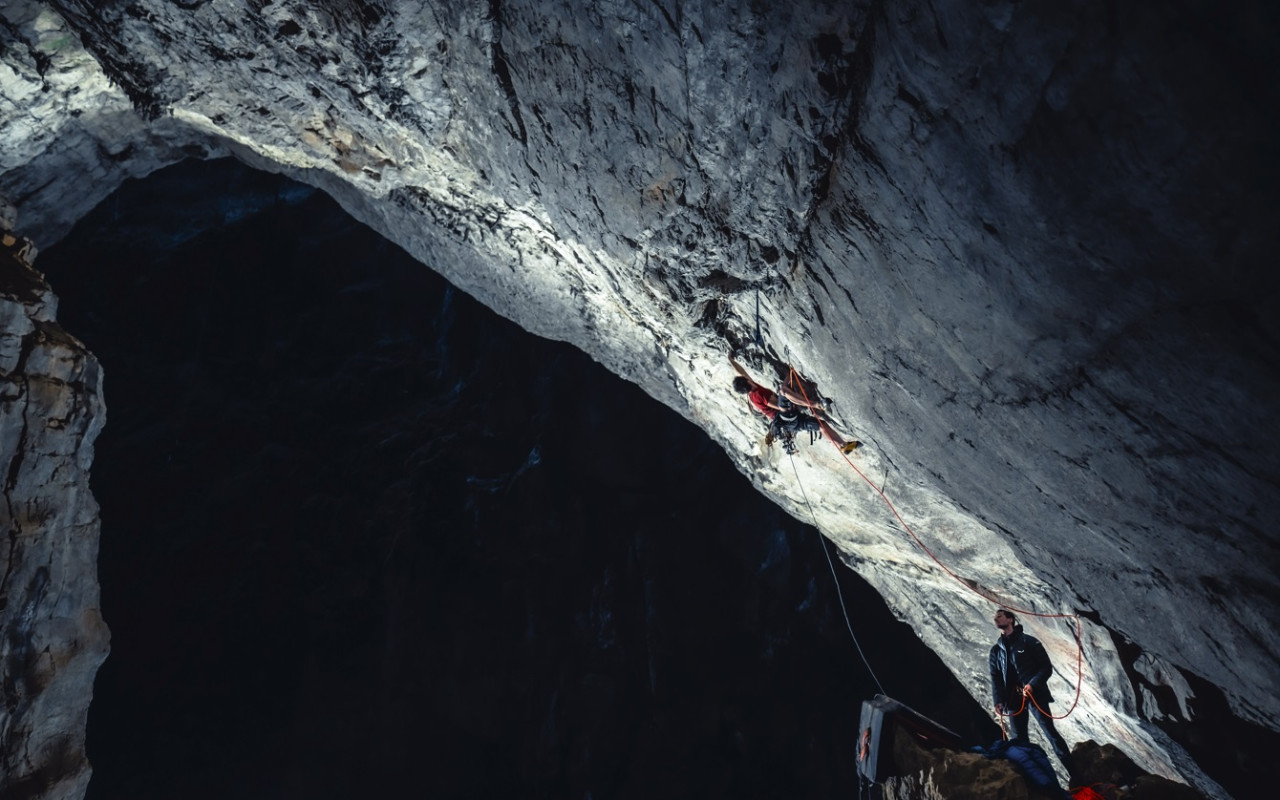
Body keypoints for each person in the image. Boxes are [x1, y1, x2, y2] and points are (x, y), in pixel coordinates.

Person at [989, 609, 1074, 777]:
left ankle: (1076, 775)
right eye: (995, 617)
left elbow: (1045, 668)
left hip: (1035, 695)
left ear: (1010, 619)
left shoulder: (1029, 642)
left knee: (1051, 733)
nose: (996, 618)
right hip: (1013, 700)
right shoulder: (996, 651)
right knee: (1019, 741)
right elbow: (995, 676)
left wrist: (1032, 685)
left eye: (1000, 615)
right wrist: (998, 700)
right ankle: (1034, 779)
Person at [730, 357, 859, 453]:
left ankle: (844, 446)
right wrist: (789, 376)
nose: (747, 377)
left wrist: (731, 360)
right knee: (783, 391)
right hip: (786, 417)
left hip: (792, 423)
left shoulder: (751, 389)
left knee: (821, 425)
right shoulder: (758, 394)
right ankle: (818, 404)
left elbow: (741, 372)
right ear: (747, 382)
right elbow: (779, 406)